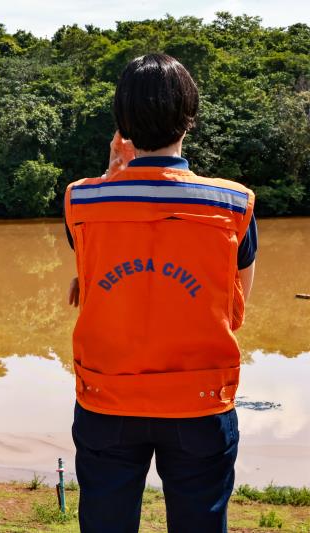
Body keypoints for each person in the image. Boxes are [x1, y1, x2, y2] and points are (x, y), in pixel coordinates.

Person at [63, 53, 257, 533]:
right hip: (200, 398)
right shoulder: (233, 203)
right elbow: (235, 308)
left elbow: (90, 281)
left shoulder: (82, 200)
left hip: (107, 397)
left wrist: (111, 174)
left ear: (122, 123)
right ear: (189, 118)